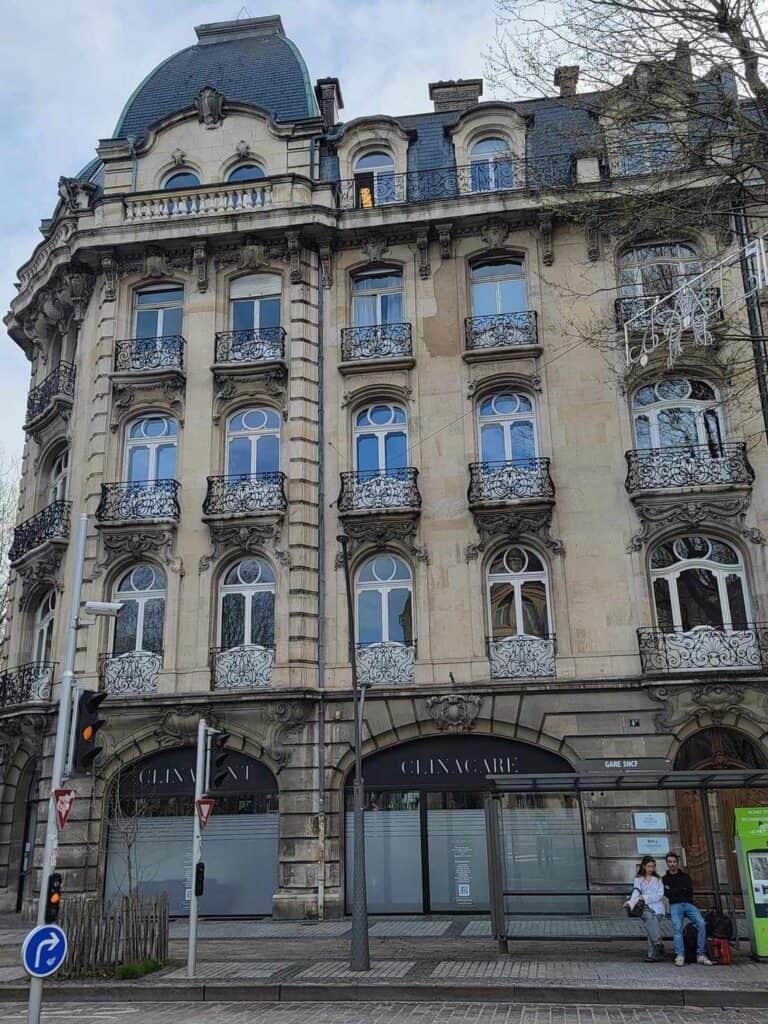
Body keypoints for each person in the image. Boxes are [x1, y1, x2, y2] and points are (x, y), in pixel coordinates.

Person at [663, 851, 713, 966]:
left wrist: (674, 890)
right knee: (677, 928)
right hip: (675, 905)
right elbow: (667, 894)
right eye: (670, 862)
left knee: (701, 923)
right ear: (667, 863)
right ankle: (680, 955)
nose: (672, 864)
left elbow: (689, 890)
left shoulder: (685, 876)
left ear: (677, 863)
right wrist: (680, 890)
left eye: (674, 862)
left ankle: (701, 954)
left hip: (688, 904)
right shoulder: (665, 879)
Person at [625, 855, 666, 962]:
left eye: (653, 866)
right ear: (643, 866)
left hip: (657, 908)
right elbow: (636, 892)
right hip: (643, 907)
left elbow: (659, 895)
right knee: (649, 919)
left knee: (650, 928)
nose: (651, 869)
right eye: (649, 866)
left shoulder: (658, 879)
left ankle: (652, 955)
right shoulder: (638, 879)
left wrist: (645, 897)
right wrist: (630, 902)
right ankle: (657, 944)